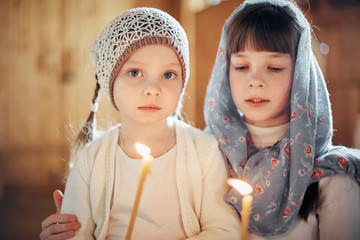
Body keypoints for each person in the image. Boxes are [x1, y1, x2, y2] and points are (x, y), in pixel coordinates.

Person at [40, 7, 241, 240]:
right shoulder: (91, 159)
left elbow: (226, 230)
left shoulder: (204, 151)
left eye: (168, 75)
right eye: (135, 72)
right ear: (109, 80)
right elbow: (77, 234)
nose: (153, 90)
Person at [203, 0, 360, 239]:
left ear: (300, 74)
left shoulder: (331, 176)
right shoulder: (204, 153)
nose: (255, 80)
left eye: (274, 67)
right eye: (242, 66)